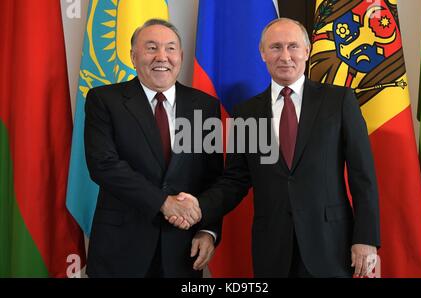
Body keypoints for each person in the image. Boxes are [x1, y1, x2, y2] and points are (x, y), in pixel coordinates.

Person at [168, 18, 380, 278]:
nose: (285, 56)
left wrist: (366, 238)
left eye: (293, 46)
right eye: (276, 47)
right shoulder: (246, 113)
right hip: (273, 250)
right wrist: (200, 206)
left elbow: (363, 176)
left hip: (331, 245)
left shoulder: (339, 101)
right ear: (263, 53)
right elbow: (235, 180)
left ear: (307, 50)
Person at [84, 19, 223, 277]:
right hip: (121, 249)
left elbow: (213, 177)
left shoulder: (205, 107)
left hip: (183, 250)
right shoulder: (104, 100)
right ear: (133, 56)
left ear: (180, 56)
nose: (162, 56)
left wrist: (208, 229)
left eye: (170, 48)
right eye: (151, 48)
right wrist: (163, 203)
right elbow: (103, 165)